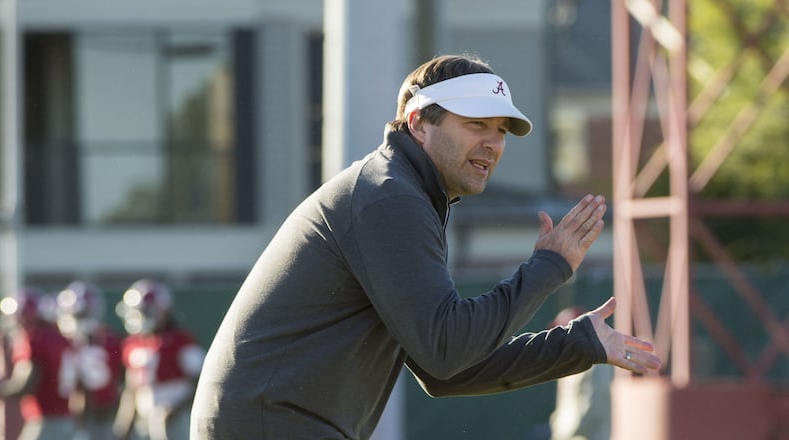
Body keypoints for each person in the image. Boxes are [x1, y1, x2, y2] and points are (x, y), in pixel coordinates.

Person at [190, 53, 662, 440]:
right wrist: (548, 266)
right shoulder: (390, 196)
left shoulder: (401, 192)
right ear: (418, 122)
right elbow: (446, 349)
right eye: (477, 123)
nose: (493, 143)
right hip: (274, 425)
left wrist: (578, 344)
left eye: (501, 130)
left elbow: (446, 370)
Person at [112, 279, 205, 440]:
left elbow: (201, 382)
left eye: (145, 311)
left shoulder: (180, 341)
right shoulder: (132, 343)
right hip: (144, 418)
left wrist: (175, 409)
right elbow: (132, 388)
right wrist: (123, 424)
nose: (141, 317)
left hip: (178, 418)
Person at [0, 286, 77, 440]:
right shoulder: (60, 338)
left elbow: (25, 384)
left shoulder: (33, 339)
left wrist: (3, 389)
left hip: (44, 420)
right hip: (67, 419)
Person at [55, 280, 124, 440]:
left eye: (84, 314)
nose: (81, 319)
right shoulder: (61, 343)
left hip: (102, 414)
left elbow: (121, 380)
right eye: (78, 315)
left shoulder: (110, 342)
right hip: (66, 416)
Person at [548, 307, 613, 440]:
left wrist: (571, 429)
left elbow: (595, 401)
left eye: (565, 329)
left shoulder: (595, 361)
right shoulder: (569, 361)